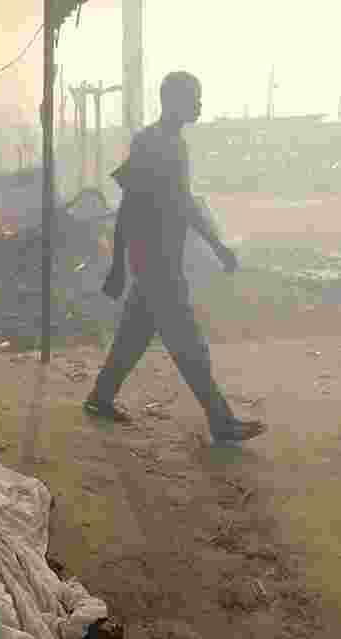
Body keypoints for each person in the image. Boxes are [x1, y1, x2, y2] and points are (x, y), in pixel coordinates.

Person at [84, 71, 266, 446]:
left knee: (134, 336)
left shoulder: (170, 143)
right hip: (157, 263)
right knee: (189, 345)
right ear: (173, 101)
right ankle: (221, 421)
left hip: (157, 259)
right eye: (193, 98)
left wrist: (215, 244)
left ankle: (100, 398)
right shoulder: (153, 143)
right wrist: (119, 264)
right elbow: (131, 206)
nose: (199, 104)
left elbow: (180, 203)